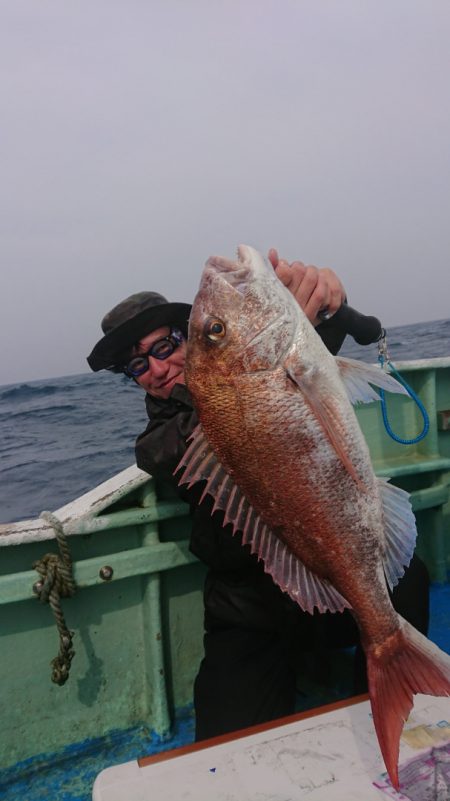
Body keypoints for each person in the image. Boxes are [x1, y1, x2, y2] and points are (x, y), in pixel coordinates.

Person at [87, 250, 430, 740]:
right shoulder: (158, 445)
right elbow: (221, 419)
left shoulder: (267, 368)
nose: (157, 368)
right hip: (246, 610)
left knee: (409, 576)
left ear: (186, 337)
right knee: (225, 747)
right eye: (137, 364)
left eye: (166, 346)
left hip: (326, 582)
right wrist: (285, 355)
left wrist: (320, 327)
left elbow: (278, 392)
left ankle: (382, 700)